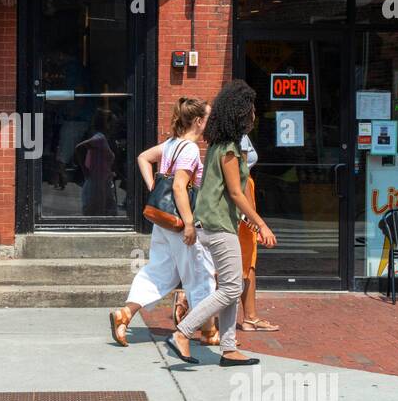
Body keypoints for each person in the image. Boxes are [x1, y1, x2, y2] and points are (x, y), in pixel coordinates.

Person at [172, 80, 277, 366]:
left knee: (231, 286)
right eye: (251, 109)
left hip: (213, 224)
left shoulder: (219, 144)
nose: (254, 114)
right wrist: (261, 224)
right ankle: (183, 331)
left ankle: (229, 349)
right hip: (219, 226)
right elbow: (235, 192)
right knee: (231, 288)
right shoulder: (229, 149)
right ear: (240, 113)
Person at [109, 99, 215, 347]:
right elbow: (179, 187)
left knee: (159, 271)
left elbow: (143, 157)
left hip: (163, 221)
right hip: (180, 223)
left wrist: (154, 187)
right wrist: (189, 223)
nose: (210, 123)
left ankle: (125, 314)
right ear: (198, 121)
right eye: (208, 118)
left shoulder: (170, 145)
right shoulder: (189, 149)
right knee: (200, 274)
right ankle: (209, 331)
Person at [237, 133, 279, 333]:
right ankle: (190, 304)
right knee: (245, 261)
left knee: (245, 262)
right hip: (242, 202)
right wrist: (254, 219)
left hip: (239, 201)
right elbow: (242, 178)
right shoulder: (239, 137)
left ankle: (250, 316)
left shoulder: (231, 135)